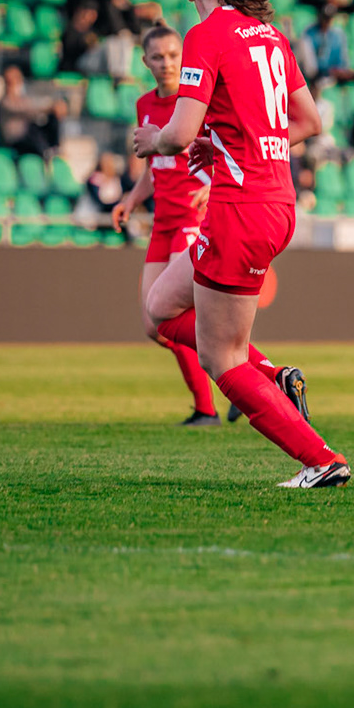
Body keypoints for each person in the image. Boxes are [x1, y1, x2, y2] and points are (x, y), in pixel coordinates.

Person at [131, 0, 349, 487]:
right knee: (159, 309)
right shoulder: (271, 37)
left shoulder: (206, 35)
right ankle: (275, 375)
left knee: (221, 360)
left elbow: (179, 136)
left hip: (239, 209)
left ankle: (322, 461)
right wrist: (228, 145)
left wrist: (154, 139)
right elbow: (309, 122)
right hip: (275, 199)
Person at [111, 26, 226, 427]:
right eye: (158, 57)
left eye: (174, 55)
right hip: (162, 222)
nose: (167, 63)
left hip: (192, 220)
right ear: (145, 62)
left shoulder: (194, 101)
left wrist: (212, 188)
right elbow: (154, 168)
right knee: (152, 325)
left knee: (173, 315)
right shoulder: (144, 104)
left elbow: (226, 151)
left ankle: (209, 405)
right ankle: (245, 370)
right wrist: (130, 200)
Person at [0, 65, 67, 158]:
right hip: (16, 139)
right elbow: (27, 109)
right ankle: (45, 152)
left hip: (27, 135)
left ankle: (54, 148)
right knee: (32, 131)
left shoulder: (22, 99)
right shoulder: (5, 102)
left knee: (50, 119)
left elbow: (33, 107)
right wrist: (50, 107)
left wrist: (54, 107)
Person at [296, 4, 354, 83]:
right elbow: (309, 66)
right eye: (325, 18)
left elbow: (342, 62)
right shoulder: (310, 32)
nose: (326, 21)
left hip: (332, 75)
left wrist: (338, 71)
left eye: (329, 18)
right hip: (313, 75)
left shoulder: (338, 35)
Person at [59, 3, 104, 76]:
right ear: (81, 11)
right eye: (90, 14)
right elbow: (69, 47)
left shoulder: (92, 31)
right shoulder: (68, 28)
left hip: (89, 66)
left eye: (94, 15)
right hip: (72, 66)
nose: (92, 17)